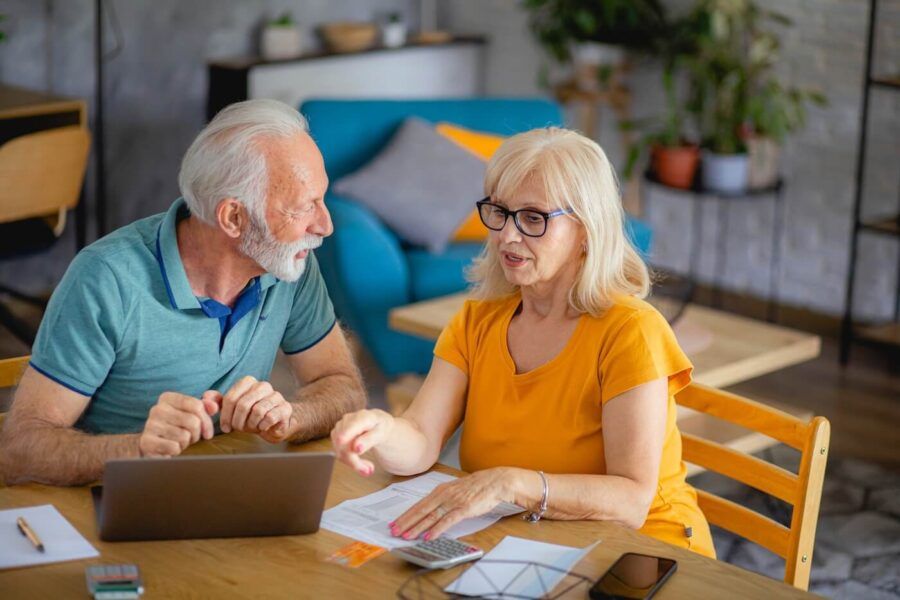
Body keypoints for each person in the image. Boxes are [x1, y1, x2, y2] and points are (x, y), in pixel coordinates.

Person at [330, 127, 715, 557]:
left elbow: (631, 502)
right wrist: (382, 430)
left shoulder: (631, 332)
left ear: (587, 229)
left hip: (648, 551)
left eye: (533, 218)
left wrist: (513, 483)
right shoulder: (477, 319)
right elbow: (420, 439)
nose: (507, 236)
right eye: (499, 211)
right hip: (533, 541)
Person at [0, 99, 365, 486]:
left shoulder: (289, 264)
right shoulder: (107, 279)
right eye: (303, 208)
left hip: (228, 490)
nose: (324, 225)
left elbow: (343, 385)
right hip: (109, 505)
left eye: (320, 200)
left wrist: (291, 416)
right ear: (233, 218)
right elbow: (19, 449)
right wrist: (139, 449)